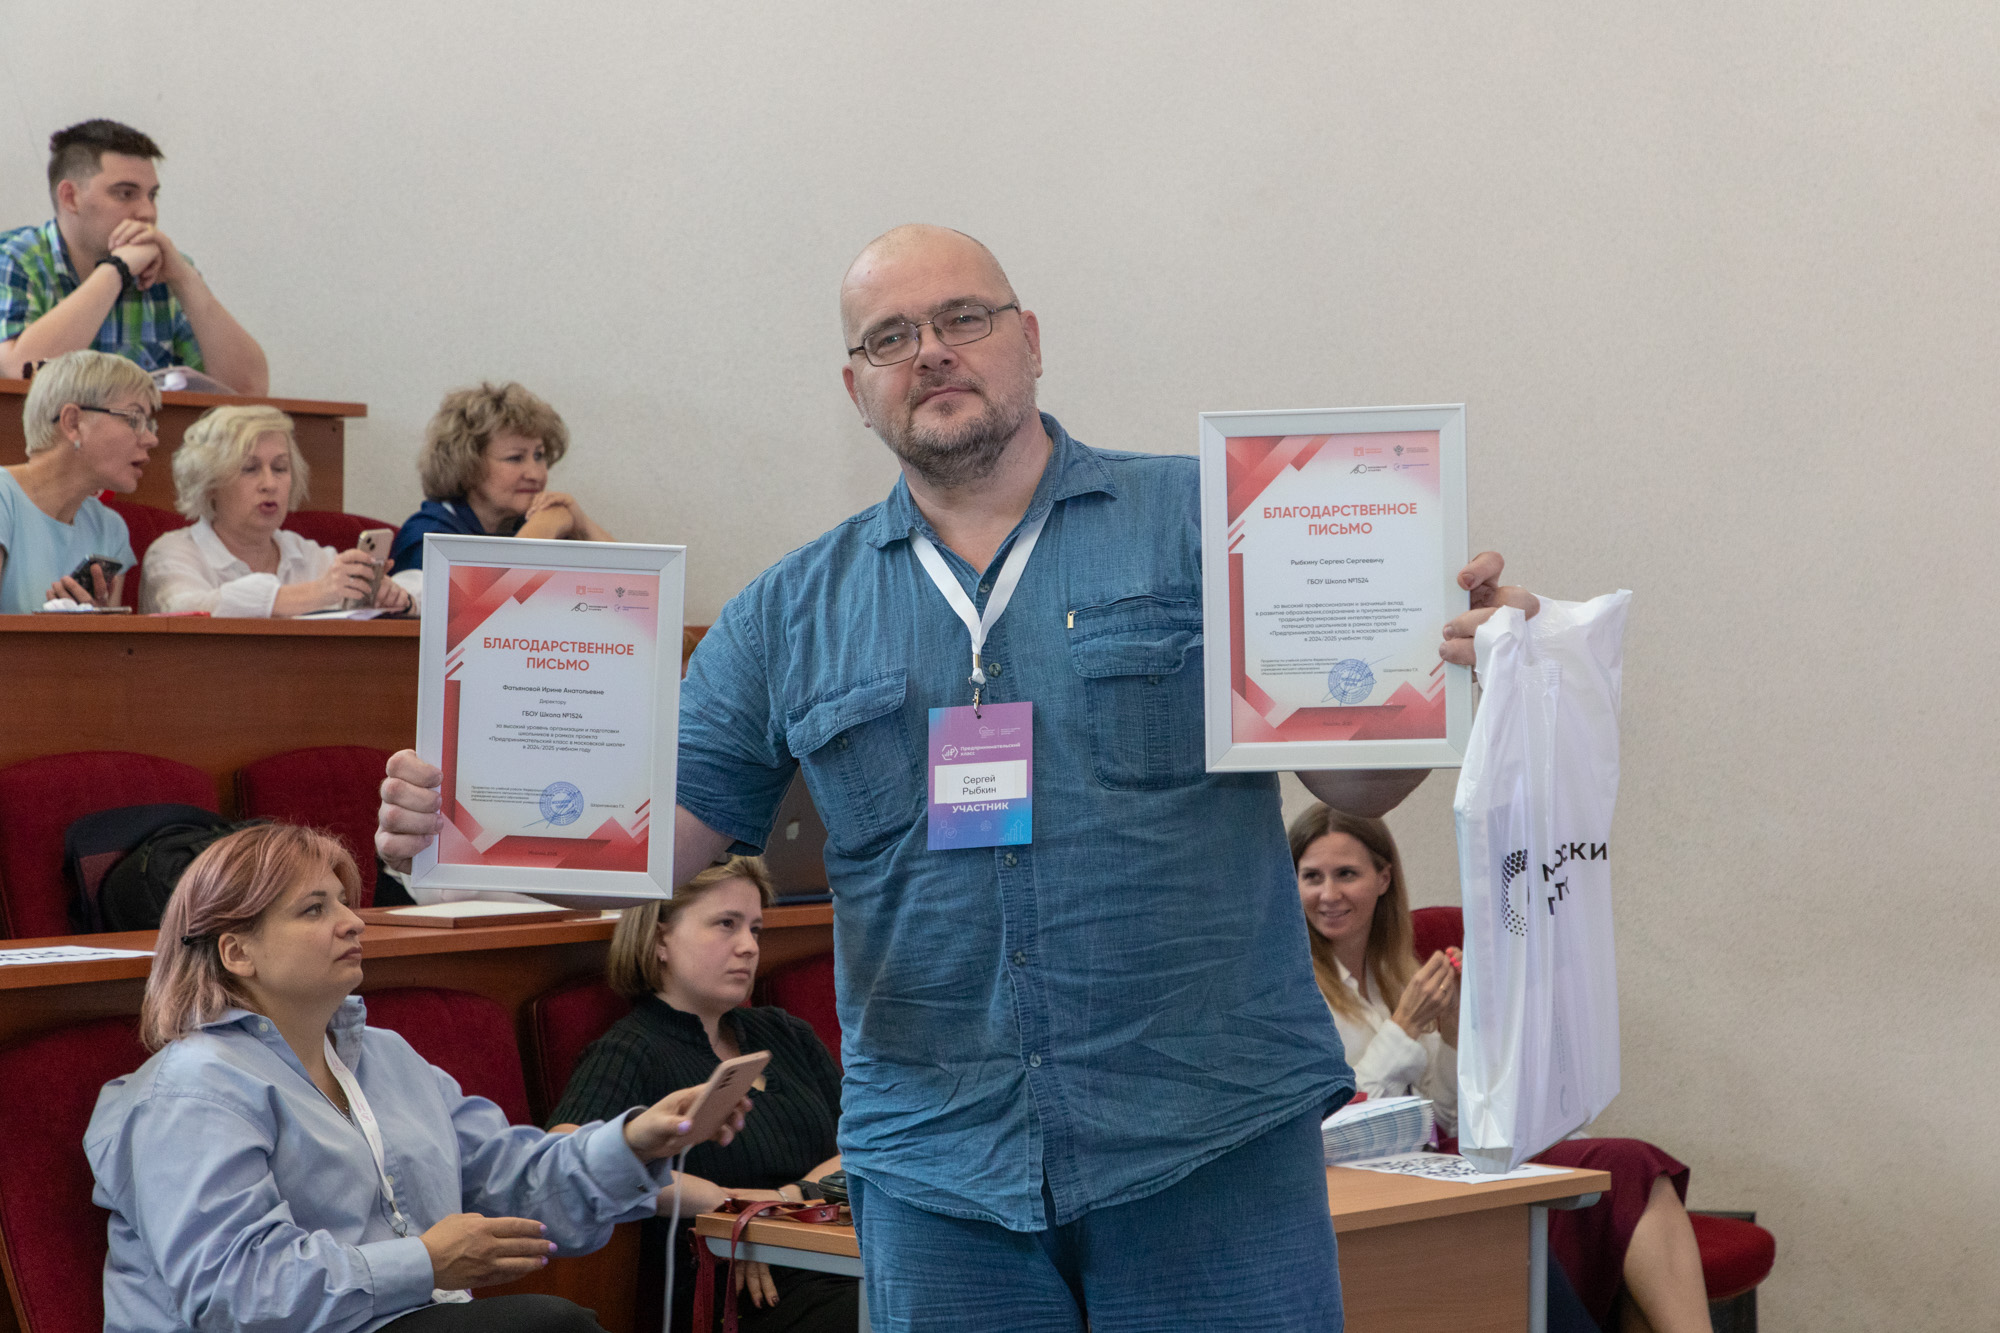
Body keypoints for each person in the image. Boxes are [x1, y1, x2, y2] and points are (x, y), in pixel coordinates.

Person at [381, 224, 1535, 1332]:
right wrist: (454, 830)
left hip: (1205, 1140)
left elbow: (1360, 785)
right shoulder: (788, 611)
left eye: (962, 318)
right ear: (856, 388)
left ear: (1028, 338)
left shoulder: (1211, 524)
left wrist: (1451, 663)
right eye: (889, 336)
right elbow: (641, 847)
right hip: (939, 1176)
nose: (929, 351)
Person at [84, 823, 750, 1333]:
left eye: (345, 902)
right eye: (314, 909)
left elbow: (511, 1179)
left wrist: (636, 1142)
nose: (352, 920)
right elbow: (235, 1291)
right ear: (238, 951)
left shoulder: (387, 1057)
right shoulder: (193, 1088)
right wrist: (426, 1262)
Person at [1290, 804, 1713, 1333]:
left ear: (1384, 878)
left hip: (1442, 1160)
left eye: (1346, 874)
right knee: (1579, 1194)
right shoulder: (1293, 989)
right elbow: (1335, 1125)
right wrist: (1403, 1027)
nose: (1328, 894)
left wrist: (1452, 1034)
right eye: (1312, 877)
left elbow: (1448, 1117)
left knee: (1630, 1166)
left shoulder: (1399, 970)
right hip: (1372, 1185)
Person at [548, 857, 855, 1332]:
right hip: (736, 1291)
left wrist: (780, 1204)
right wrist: (727, 1208)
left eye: (755, 928)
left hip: (834, 1255)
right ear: (660, 940)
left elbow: (862, 1143)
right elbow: (567, 1156)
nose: (749, 946)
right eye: (726, 924)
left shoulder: (785, 1032)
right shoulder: (630, 1050)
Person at [0, 119, 268, 393]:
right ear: (70, 197)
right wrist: (115, 270)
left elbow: (248, 392)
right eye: (125, 194)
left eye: (152, 196)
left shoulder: (164, 271)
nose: (148, 212)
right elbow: (23, 374)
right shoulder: (15, 259)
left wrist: (185, 279)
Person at [139, 404, 412, 616]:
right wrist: (319, 592)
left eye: (280, 468)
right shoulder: (173, 552)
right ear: (210, 483)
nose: (270, 484)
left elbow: (420, 589)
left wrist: (393, 596)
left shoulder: (305, 554)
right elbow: (191, 609)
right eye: (250, 469)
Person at [388, 382, 613, 575]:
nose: (536, 474)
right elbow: (493, 600)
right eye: (515, 458)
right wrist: (545, 526)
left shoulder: (522, 522)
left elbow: (629, 591)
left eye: (539, 455)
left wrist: (580, 521)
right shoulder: (429, 536)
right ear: (468, 463)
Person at [0, 348, 156, 611]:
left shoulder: (110, 527)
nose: (152, 439)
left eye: (149, 424)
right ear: (73, 423)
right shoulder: (4, 498)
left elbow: (110, 639)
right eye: (133, 419)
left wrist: (92, 626)